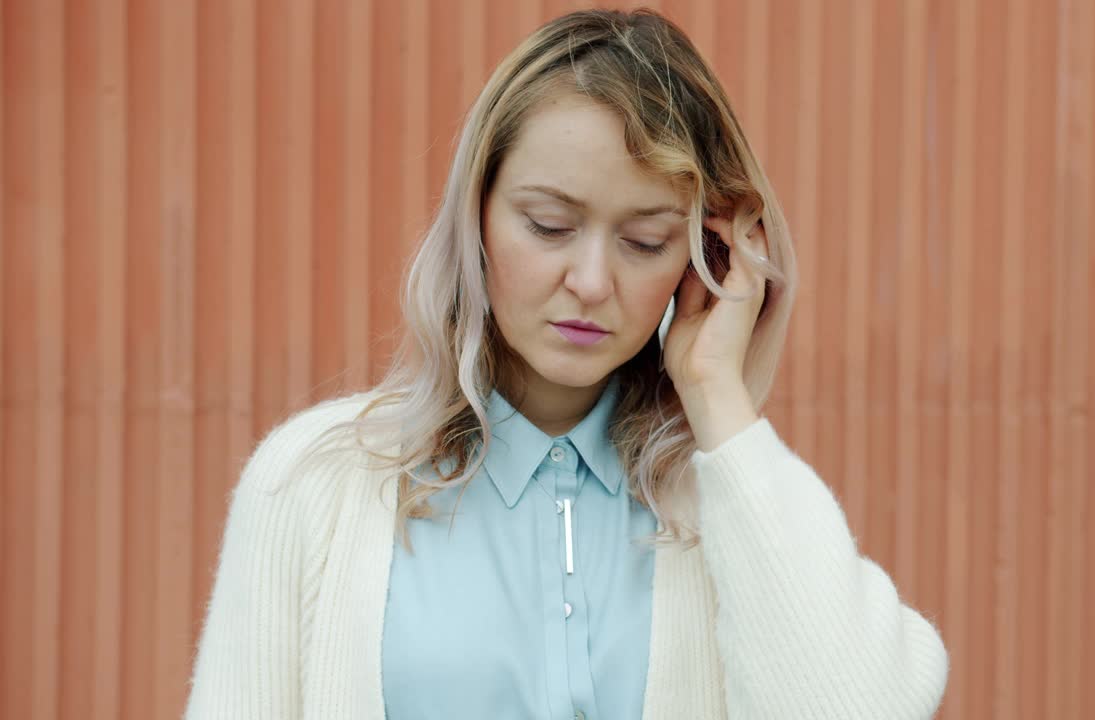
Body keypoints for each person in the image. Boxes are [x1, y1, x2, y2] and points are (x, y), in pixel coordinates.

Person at [184, 8, 947, 720]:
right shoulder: (312, 484)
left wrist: (716, 394)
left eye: (645, 241)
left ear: (703, 252)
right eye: (549, 225)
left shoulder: (734, 507)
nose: (590, 281)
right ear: (475, 216)